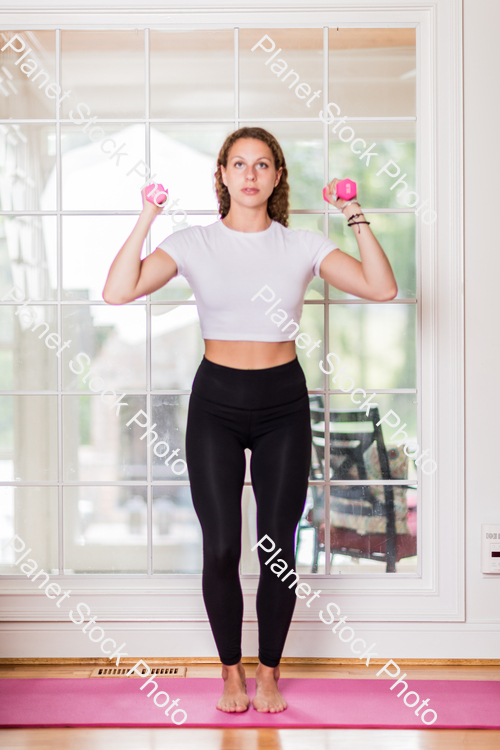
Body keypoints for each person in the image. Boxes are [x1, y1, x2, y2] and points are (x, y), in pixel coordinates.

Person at [103, 126, 397, 714]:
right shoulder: (193, 243)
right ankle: (230, 674)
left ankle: (268, 674)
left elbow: (381, 288)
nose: (250, 174)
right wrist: (145, 217)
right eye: (238, 164)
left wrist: (354, 213)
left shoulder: (302, 245)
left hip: (282, 403)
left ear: (277, 177)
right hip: (215, 400)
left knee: (276, 551)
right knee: (219, 547)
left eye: (262, 164)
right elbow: (118, 290)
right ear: (223, 175)